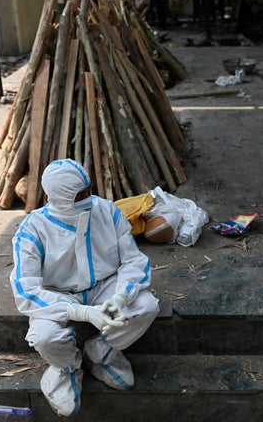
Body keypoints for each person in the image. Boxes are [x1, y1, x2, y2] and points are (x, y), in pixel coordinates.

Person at [10, 159, 159, 417]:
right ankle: (66, 369)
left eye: (89, 189)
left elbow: (134, 261)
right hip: (57, 295)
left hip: (104, 286)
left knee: (146, 306)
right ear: (59, 197)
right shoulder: (32, 230)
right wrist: (83, 313)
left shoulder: (107, 211)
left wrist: (122, 297)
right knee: (45, 337)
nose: (89, 197)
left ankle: (101, 354)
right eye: (80, 195)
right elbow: (26, 292)